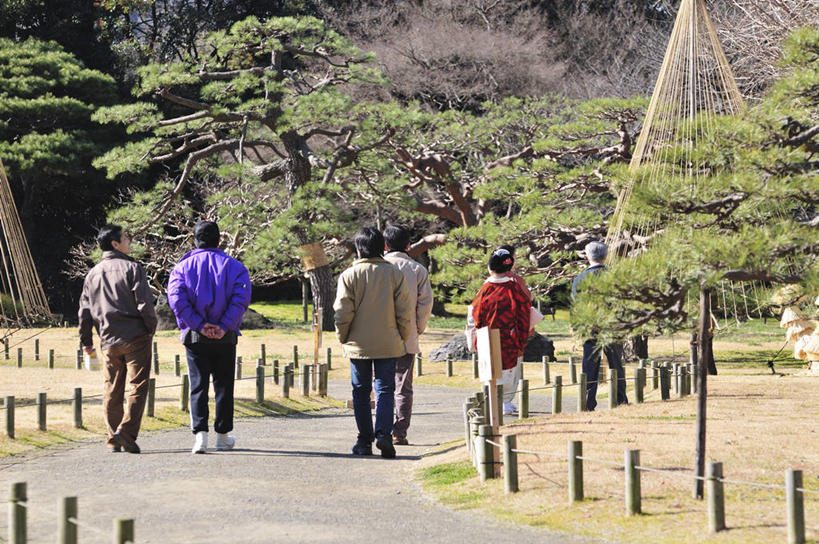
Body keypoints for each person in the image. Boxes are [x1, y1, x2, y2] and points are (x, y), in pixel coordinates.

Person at [167, 220, 251, 454]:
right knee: (224, 386)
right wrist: (224, 326)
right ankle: (222, 436)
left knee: (198, 385)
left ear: (194, 240)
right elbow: (240, 299)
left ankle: (200, 435)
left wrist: (199, 325)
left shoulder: (182, 268)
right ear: (219, 240)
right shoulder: (235, 267)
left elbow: (176, 298)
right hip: (225, 337)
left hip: (196, 337)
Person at [334, 227, 413, 458]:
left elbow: (342, 312)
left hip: (358, 344)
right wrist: (403, 336)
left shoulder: (349, 275)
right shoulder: (394, 274)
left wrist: (343, 336)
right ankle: (384, 435)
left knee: (360, 392)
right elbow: (404, 312)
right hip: (389, 342)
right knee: (386, 390)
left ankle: (364, 440)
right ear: (382, 247)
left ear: (358, 249)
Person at [78, 224, 157, 454]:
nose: (128, 242)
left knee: (112, 388)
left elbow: (84, 312)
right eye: (125, 238)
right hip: (135, 336)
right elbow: (145, 304)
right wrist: (150, 328)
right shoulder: (133, 268)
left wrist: (86, 342)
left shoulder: (91, 274)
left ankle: (113, 436)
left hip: (108, 339)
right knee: (138, 386)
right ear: (115, 243)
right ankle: (126, 432)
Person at [383, 225, 433, 446]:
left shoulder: (377, 268)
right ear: (408, 245)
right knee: (403, 385)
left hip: (380, 336)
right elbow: (425, 304)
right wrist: (418, 328)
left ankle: (381, 428)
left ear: (385, 245)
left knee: (381, 384)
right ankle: (399, 432)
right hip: (407, 336)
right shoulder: (417, 270)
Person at [467, 248, 531, 416]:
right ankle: (505, 402)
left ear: (490, 268)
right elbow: (524, 315)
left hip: (488, 337)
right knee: (509, 372)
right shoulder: (515, 288)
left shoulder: (485, 289)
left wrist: (476, 337)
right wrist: (521, 338)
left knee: (491, 371)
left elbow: (475, 314)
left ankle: (493, 401)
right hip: (510, 338)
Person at [571, 241, 628, 411]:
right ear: (606, 256)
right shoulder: (615, 276)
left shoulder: (580, 279)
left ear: (587, 256)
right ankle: (620, 400)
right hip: (612, 326)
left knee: (589, 367)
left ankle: (587, 403)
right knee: (616, 364)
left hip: (589, 327)